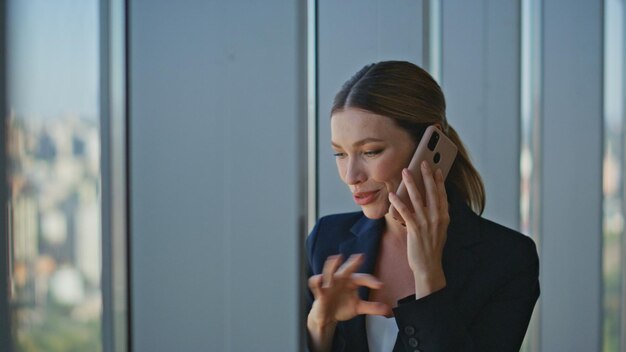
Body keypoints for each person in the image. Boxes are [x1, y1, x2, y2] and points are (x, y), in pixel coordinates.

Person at [306, 61, 540, 352]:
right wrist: (320, 328)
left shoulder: (507, 259)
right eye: (339, 154)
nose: (351, 176)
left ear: (431, 142)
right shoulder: (326, 239)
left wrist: (428, 276)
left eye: (370, 152)